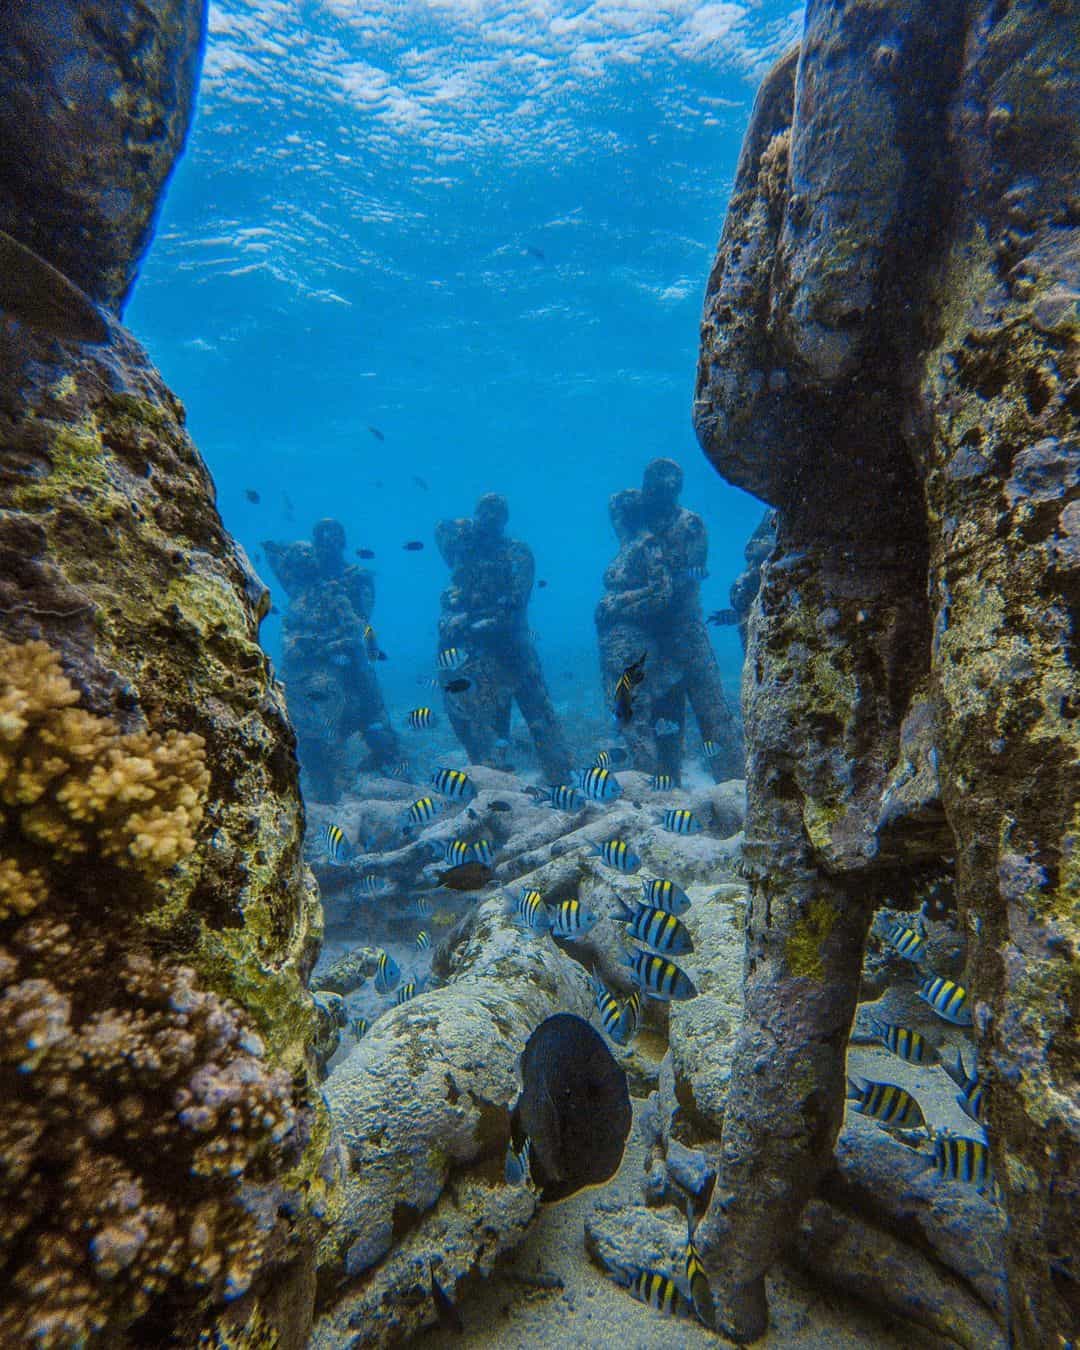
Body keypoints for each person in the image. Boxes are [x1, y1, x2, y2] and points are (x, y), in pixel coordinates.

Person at [596, 458, 741, 781]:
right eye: (653, 488)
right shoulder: (636, 518)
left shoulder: (689, 524)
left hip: (683, 627)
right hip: (647, 632)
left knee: (711, 708)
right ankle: (665, 790)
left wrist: (623, 601)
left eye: (667, 489)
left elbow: (682, 582)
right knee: (663, 710)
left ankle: (731, 783)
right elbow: (616, 501)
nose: (659, 495)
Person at [434, 494, 571, 783]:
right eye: (483, 512)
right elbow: (441, 531)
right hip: (478, 655)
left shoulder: (517, 552)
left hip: (514, 649)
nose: (489, 518)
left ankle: (563, 783)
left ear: (505, 520)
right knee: (487, 726)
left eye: (497, 513)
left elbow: (514, 603)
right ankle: (497, 789)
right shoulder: (465, 552)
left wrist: (469, 621)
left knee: (539, 715)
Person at [262, 518, 401, 799]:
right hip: (305, 668)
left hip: (348, 661)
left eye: (334, 536)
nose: (327, 543)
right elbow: (274, 552)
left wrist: (326, 645)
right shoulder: (301, 577)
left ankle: (396, 778)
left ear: (343, 541)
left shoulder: (356, 577)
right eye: (320, 538)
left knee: (374, 714)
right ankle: (327, 792)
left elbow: (361, 621)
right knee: (311, 732)